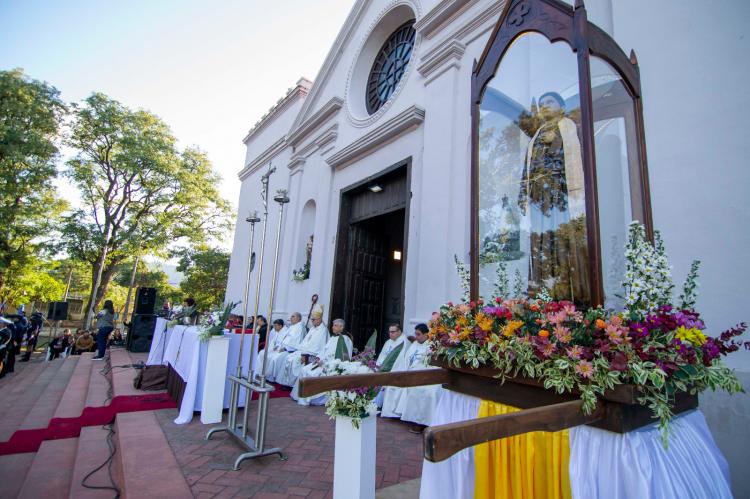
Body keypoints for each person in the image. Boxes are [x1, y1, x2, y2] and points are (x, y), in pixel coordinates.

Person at [291, 318, 353, 405]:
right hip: (322, 363)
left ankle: (308, 398)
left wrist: (325, 364)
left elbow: (344, 358)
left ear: (341, 327)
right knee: (304, 369)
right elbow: (324, 350)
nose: (332, 327)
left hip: (331, 366)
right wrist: (318, 358)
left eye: (335, 326)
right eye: (333, 325)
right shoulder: (332, 338)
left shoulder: (345, 340)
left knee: (311, 374)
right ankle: (301, 396)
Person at [396, 324, 440, 431]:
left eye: (418, 334)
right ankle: (409, 417)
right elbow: (407, 359)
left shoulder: (432, 345)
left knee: (423, 391)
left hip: (426, 375)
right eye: (415, 334)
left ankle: (422, 421)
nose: (416, 337)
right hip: (411, 373)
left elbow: (432, 365)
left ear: (426, 334)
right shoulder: (414, 344)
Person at [276, 305, 329, 387]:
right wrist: (299, 350)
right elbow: (305, 342)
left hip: (311, 355)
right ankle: (288, 383)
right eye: (311, 319)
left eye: (313, 320)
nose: (312, 321)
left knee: (293, 361)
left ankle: (292, 384)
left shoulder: (323, 331)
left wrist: (305, 355)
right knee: (288, 358)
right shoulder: (312, 329)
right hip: (303, 351)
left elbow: (318, 347)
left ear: (319, 319)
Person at [267, 312, 305, 382]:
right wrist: (279, 346)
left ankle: (273, 377)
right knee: (271, 356)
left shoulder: (299, 328)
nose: (291, 318)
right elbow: (284, 338)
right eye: (291, 316)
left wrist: (285, 348)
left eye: (293, 316)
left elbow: (295, 342)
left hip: (290, 350)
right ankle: (270, 377)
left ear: (298, 318)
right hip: (283, 348)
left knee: (275, 358)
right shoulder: (292, 326)